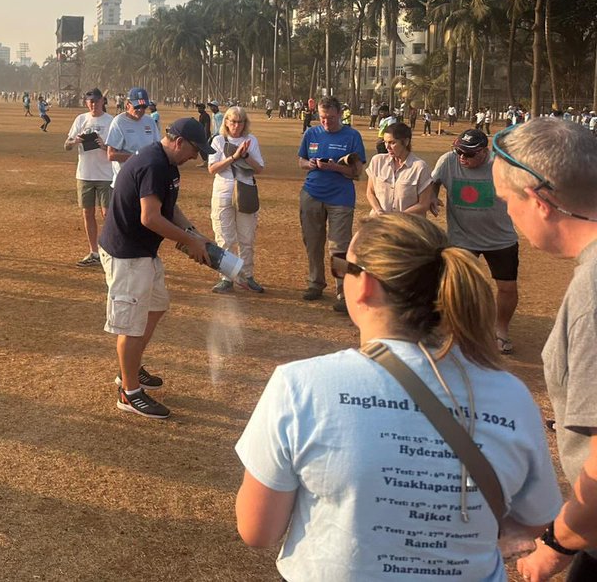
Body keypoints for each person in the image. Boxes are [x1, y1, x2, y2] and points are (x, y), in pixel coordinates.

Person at [235, 212, 562, 581]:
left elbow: (257, 530)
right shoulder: (512, 396)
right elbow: (536, 519)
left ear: (366, 285)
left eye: (343, 267)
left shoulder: (301, 385)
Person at [487, 121, 597, 581]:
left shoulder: (593, 293)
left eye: (508, 202)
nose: (507, 215)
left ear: (540, 201)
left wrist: (556, 545)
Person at [98, 118, 215, 419]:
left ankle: (131, 368)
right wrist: (189, 241)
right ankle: (129, 391)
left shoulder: (167, 164)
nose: (195, 158)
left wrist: (192, 233)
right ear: (179, 142)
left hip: (143, 252)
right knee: (132, 324)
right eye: (194, 151)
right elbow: (150, 218)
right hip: (127, 254)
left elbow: (168, 208)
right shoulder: (153, 164)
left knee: (156, 307)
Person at [430, 129, 521, 354]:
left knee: (507, 288)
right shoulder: (448, 161)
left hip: (500, 238)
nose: (462, 157)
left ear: (484, 152)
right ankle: (456, 329)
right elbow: (433, 182)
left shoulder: (501, 166)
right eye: (459, 151)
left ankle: (501, 330)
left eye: (469, 154)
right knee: (456, 286)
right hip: (462, 237)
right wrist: (432, 195)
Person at [297, 96, 366, 313]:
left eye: (331, 118)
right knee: (313, 241)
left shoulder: (352, 136)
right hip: (311, 194)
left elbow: (357, 172)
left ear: (340, 114)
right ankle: (315, 283)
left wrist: (335, 168)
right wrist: (309, 164)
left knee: (339, 247)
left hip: (340, 198)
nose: (326, 122)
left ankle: (344, 292)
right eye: (323, 117)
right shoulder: (311, 133)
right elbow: (300, 160)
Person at [207, 106, 265, 294]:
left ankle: (248, 276)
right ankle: (227, 278)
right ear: (226, 122)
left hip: (245, 192)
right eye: (232, 121)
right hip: (223, 193)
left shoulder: (251, 140)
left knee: (246, 238)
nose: (236, 125)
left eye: (240, 122)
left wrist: (245, 156)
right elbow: (212, 168)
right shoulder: (217, 141)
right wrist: (234, 156)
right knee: (224, 237)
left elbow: (259, 168)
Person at [65, 88, 115, 267]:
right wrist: (74, 141)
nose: (93, 104)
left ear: (103, 101)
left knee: (107, 214)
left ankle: (110, 251)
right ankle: (94, 251)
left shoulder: (111, 121)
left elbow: (116, 148)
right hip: (85, 174)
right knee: (87, 213)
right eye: (90, 101)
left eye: (96, 101)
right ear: (86, 102)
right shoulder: (81, 119)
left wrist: (105, 146)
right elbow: (66, 145)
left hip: (106, 175)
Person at [365, 121, 434, 217]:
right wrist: (379, 211)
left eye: (392, 143)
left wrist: (397, 218)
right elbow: (370, 192)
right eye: (385, 142)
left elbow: (424, 204)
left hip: (407, 227)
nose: (387, 147)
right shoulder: (377, 161)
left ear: (406, 142)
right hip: (378, 224)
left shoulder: (420, 168)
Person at [106, 87, 160, 187]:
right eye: (137, 106)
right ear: (127, 105)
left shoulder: (150, 121)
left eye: (144, 107)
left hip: (146, 182)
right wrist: (138, 157)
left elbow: (157, 147)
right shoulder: (119, 122)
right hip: (125, 183)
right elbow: (111, 154)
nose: (140, 110)